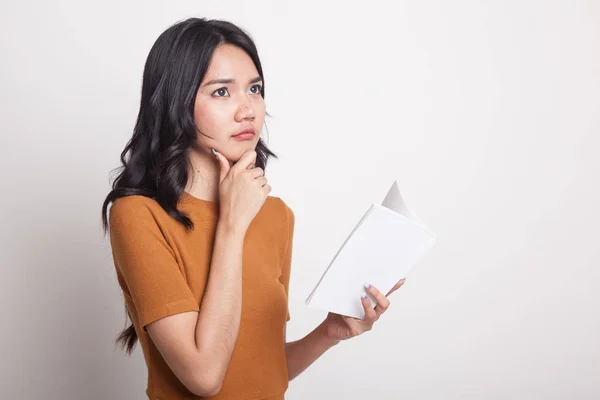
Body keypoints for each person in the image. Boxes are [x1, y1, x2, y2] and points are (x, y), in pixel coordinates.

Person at [101, 17, 406, 400]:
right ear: (176, 102)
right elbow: (206, 377)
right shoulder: (138, 214)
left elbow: (260, 368)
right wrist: (232, 225)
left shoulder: (276, 215)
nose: (248, 110)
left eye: (254, 89)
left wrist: (330, 332)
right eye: (221, 92)